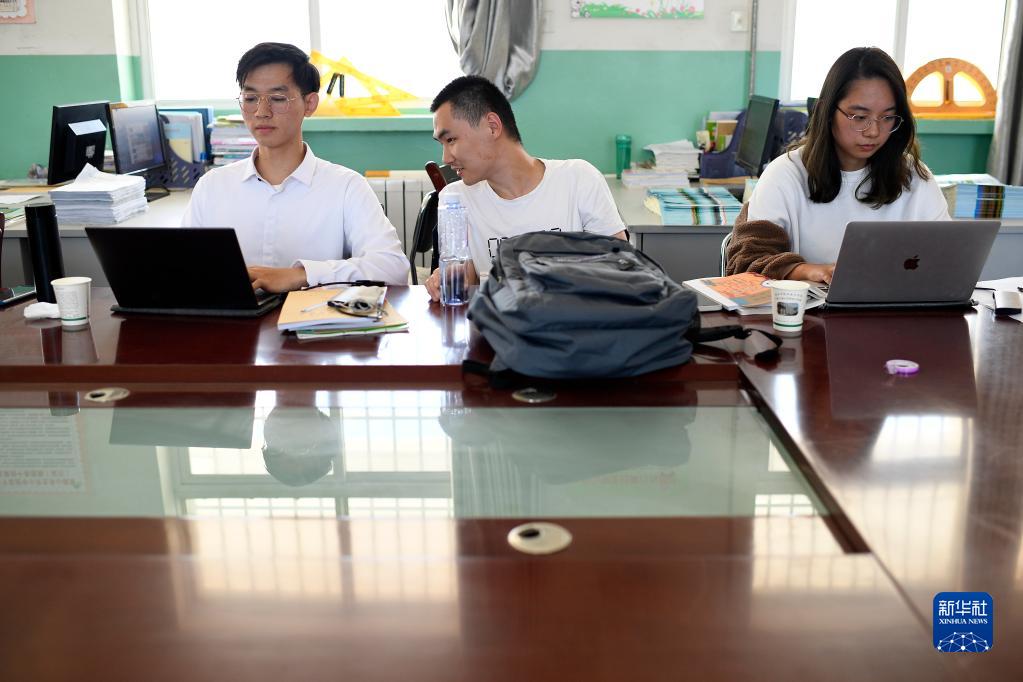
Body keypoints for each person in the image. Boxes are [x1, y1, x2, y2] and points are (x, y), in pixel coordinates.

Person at [182, 42, 409, 292]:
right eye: (251, 98)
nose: (261, 112)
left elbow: (392, 268)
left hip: (313, 315)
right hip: (232, 317)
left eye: (278, 99)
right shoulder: (212, 186)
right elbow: (182, 266)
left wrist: (301, 275)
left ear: (309, 104)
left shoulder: (346, 186)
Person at [726, 47, 950, 283]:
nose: (873, 131)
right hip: (808, 308)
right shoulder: (785, 174)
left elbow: (949, 256)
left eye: (887, 117)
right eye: (860, 117)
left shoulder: (914, 176)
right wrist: (810, 271)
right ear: (827, 111)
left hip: (899, 305)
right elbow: (747, 262)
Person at [424, 75, 626, 301]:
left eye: (451, 140)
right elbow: (467, 281)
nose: (446, 158)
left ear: (492, 127)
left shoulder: (578, 179)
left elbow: (620, 267)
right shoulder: (455, 198)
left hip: (574, 318)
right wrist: (449, 277)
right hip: (499, 320)